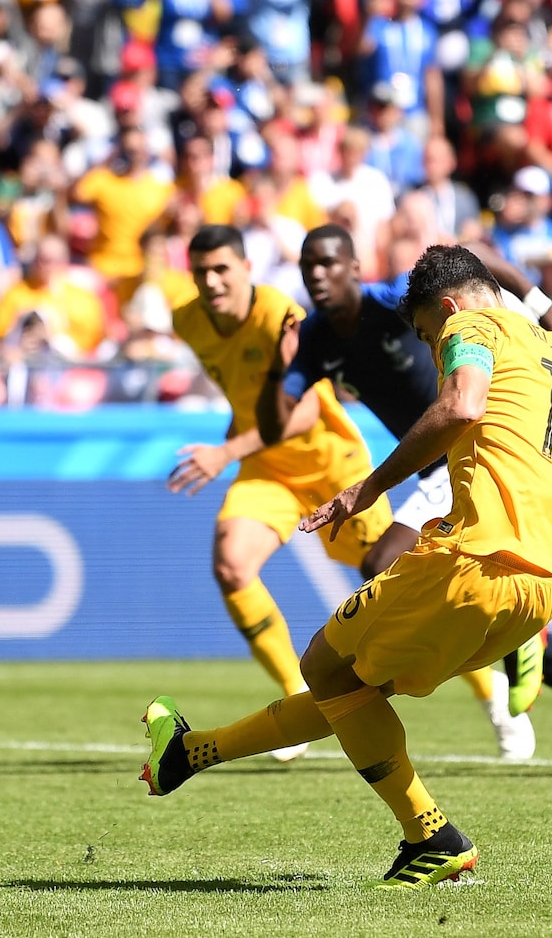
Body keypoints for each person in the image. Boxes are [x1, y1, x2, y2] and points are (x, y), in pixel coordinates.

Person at [140, 244, 552, 888]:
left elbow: (462, 404)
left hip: (472, 560)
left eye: (426, 333)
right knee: (349, 686)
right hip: (543, 588)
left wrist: (366, 490)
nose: (431, 344)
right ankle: (190, 754)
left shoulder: (470, 327)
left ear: (447, 308)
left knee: (325, 668)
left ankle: (431, 836)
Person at [257, 225, 552, 769]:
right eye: (306, 269)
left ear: (354, 266)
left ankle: (509, 698)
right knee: (439, 587)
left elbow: (481, 263)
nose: (316, 277)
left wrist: (544, 310)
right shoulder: (318, 338)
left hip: (465, 457)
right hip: (434, 472)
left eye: (327, 264)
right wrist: (280, 361)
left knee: (394, 568)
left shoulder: (401, 296)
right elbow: (277, 423)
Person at [166, 224, 394, 758]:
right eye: (201, 271)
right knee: (231, 565)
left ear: (247, 268)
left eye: (222, 268)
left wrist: (224, 452)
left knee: (394, 577)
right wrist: (237, 438)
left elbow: (309, 407)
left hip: (328, 462)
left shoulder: (281, 316)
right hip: (267, 467)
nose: (212, 281)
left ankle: (493, 698)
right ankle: (296, 697)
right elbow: (242, 387)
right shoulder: (187, 320)